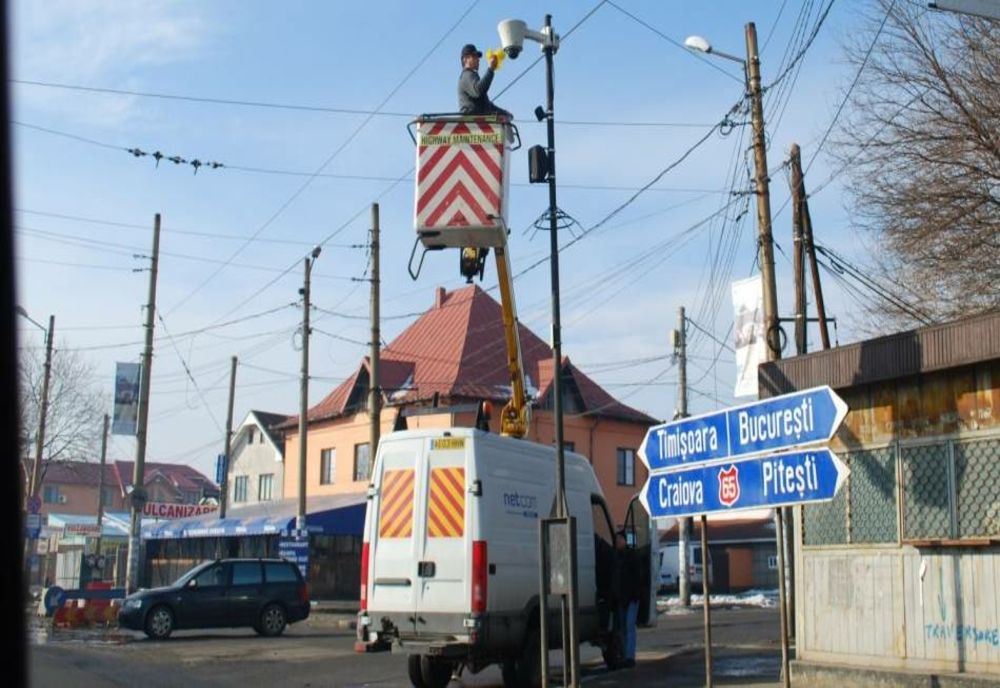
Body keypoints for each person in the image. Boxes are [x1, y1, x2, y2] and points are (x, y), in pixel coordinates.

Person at [457, 43, 511, 118]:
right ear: (465, 59)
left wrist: (503, 113)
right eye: (474, 56)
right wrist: (490, 69)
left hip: (479, 123)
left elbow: (487, 105)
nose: (478, 59)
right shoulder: (466, 75)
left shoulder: (472, 76)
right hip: (472, 124)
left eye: (478, 57)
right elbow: (478, 90)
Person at [614, 529, 640, 668]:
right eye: (616, 540)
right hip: (620, 598)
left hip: (631, 598)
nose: (617, 542)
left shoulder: (631, 556)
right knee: (623, 628)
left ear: (625, 540)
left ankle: (630, 657)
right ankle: (625, 656)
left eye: (619, 539)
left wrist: (636, 594)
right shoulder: (616, 557)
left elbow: (638, 576)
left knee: (630, 626)